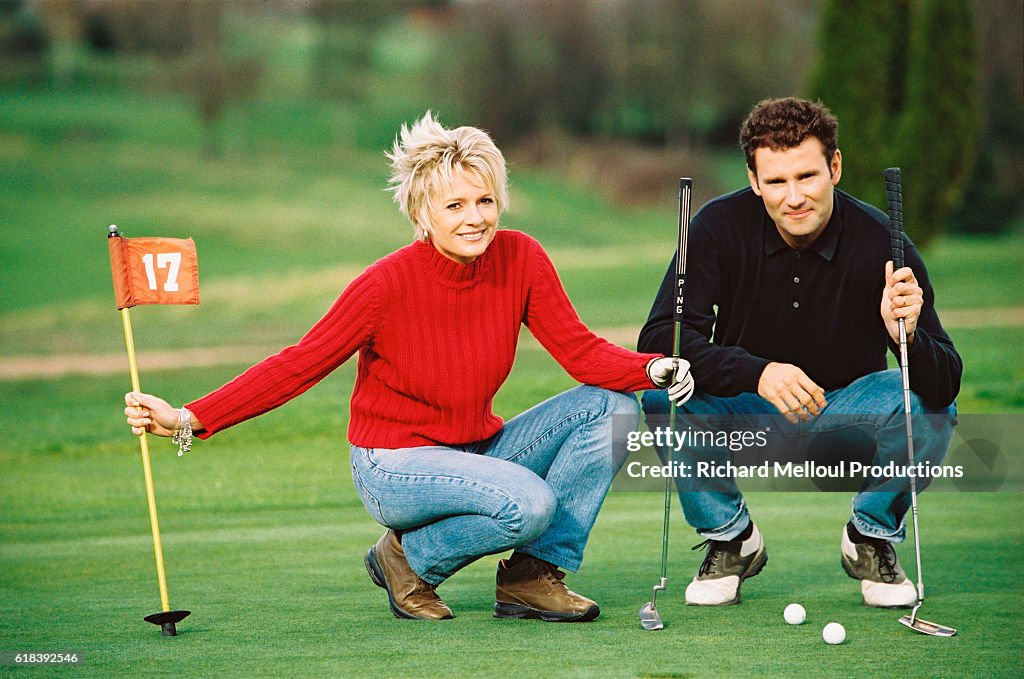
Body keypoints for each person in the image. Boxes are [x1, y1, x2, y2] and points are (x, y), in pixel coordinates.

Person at [123, 111, 694, 623]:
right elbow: (299, 364)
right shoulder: (383, 285)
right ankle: (405, 557)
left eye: (485, 200)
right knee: (529, 503)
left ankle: (529, 578)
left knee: (613, 406)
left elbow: (580, 352)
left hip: (474, 448)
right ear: (421, 213)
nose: (476, 218)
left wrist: (653, 369)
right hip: (393, 465)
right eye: (455, 205)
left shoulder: (521, 259)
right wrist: (190, 417)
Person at [638, 97, 960, 608]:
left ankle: (870, 536)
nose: (794, 197)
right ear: (753, 179)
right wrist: (758, 372)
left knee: (931, 409)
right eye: (777, 181)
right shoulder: (716, 227)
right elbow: (661, 340)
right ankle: (731, 539)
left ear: (835, 167)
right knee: (661, 393)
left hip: (848, 417)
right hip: (746, 409)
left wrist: (909, 337)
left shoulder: (883, 239)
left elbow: (945, 383)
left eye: (807, 176)